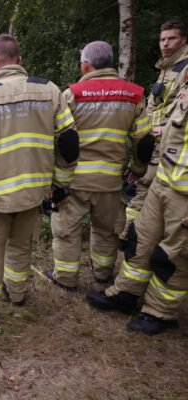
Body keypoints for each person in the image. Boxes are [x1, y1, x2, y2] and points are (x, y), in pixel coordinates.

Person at [0, 34, 79, 320]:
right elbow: (69, 142)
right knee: (21, 248)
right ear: (20, 60)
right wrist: (60, 182)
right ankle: (17, 294)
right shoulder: (50, 90)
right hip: (32, 194)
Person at [48, 41, 154, 290]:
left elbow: (60, 139)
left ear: (86, 65)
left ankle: (65, 278)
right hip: (110, 181)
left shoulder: (72, 94)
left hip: (74, 181)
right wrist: (137, 168)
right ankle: (103, 274)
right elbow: (144, 140)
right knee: (107, 231)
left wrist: (55, 179)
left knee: (66, 230)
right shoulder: (133, 95)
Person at [87, 79, 188, 335]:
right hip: (163, 181)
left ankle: (160, 312)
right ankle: (126, 293)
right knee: (140, 239)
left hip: (184, 197)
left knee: (173, 257)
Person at [121, 19, 188, 240]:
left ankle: (133, 238)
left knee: (149, 190)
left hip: (171, 145)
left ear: (183, 40)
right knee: (141, 188)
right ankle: (131, 237)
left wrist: (163, 129)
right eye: (162, 39)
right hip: (155, 141)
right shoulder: (166, 68)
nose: (165, 44)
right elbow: (155, 106)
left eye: (171, 38)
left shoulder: (185, 68)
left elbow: (182, 110)